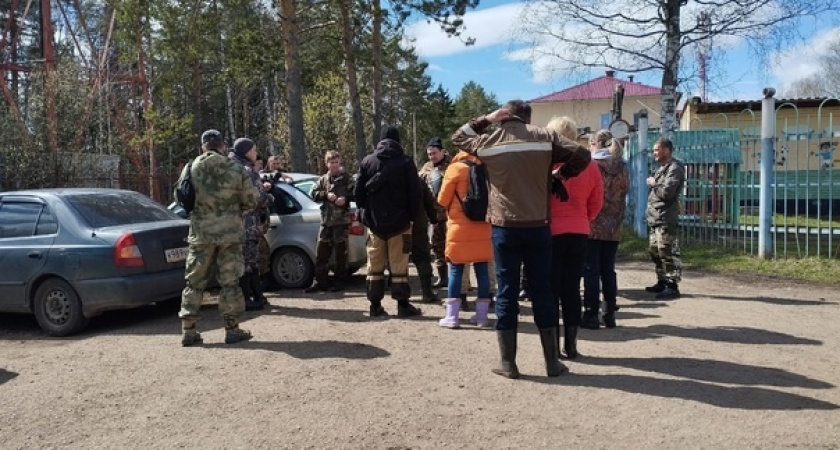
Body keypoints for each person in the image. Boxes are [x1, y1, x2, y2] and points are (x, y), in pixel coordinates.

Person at [452, 99, 591, 378]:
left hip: (504, 228)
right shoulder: (546, 137)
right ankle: (552, 362)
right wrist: (559, 176)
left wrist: (487, 118)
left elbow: (458, 137)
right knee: (542, 291)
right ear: (527, 118)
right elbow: (583, 156)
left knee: (506, 291)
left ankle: (508, 363)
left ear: (505, 117)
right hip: (538, 225)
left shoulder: (490, 140)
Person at [177, 129, 258, 346]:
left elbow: (182, 198)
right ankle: (232, 330)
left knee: (194, 282)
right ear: (223, 145)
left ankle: (189, 331)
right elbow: (251, 201)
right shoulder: (237, 169)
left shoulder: (191, 167)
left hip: (201, 233)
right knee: (230, 283)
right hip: (229, 234)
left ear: (203, 146)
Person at [545, 117, 603, 360]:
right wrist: (584, 218)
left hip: (551, 231)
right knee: (571, 289)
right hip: (579, 230)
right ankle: (571, 345)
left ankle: (553, 348)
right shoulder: (589, 164)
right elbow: (597, 199)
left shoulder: (547, 163)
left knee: (551, 291)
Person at [355, 126, 423, 318]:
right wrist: (411, 217)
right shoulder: (406, 162)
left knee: (374, 266)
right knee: (399, 265)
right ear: (398, 141)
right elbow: (415, 194)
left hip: (374, 224)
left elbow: (358, 193)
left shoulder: (367, 161)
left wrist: (366, 214)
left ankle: (375, 306)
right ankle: (402, 305)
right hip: (400, 224)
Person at [436, 151, 493, 329]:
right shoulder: (488, 168)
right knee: (482, 271)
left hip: (459, 229)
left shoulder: (454, 169)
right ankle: (482, 317)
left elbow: (442, 200)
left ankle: (452, 317)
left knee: (455, 271)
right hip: (483, 227)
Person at [584, 130, 630, 329]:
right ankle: (609, 314)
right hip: (614, 224)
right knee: (608, 270)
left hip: (593, 223)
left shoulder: (591, 165)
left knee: (591, 270)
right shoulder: (622, 167)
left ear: (595, 144)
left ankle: (591, 315)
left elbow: (588, 193)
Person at [229, 138, 274, 311]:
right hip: (247, 223)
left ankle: (257, 296)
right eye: (254, 150)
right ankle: (248, 299)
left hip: (231, 224)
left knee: (244, 261)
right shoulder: (247, 170)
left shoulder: (229, 168)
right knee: (250, 261)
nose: (256, 154)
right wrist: (270, 197)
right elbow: (258, 198)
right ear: (247, 152)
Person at [306, 150, 354, 293]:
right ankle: (320, 281)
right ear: (327, 164)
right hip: (326, 222)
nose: (334, 165)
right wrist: (326, 195)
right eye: (331, 162)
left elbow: (356, 193)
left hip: (341, 221)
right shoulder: (323, 180)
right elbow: (312, 194)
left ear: (340, 163)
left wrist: (345, 198)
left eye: (336, 162)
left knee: (341, 254)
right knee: (321, 253)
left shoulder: (347, 178)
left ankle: (339, 282)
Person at [645, 137, 685, 299]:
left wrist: (654, 184)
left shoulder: (674, 168)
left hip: (666, 218)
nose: (654, 153)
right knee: (655, 251)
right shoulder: (663, 168)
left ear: (666, 150)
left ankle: (672, 285)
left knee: (667, 251)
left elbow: (667, 193)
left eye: (657, 150)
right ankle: (662, 281)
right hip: (656, 218)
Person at [418, 137, 451, 289]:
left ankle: (463, 280)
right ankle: (442, 277)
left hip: (451, 214)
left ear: (442, 151)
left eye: (434, 153)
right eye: (430, 154)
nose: (432, 156)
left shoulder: (452, 166)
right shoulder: (426, 168)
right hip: (434, 214)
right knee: (438, 246)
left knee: (453, 246)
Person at [411, 177, 442, 303]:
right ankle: (427, 292)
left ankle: (400, 296)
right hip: (418, 223)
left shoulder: (389, 178)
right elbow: (429, 202)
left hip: (396, 224)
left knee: (396, 259)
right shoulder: (418, 181)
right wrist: (434, 219)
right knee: (422, 257)